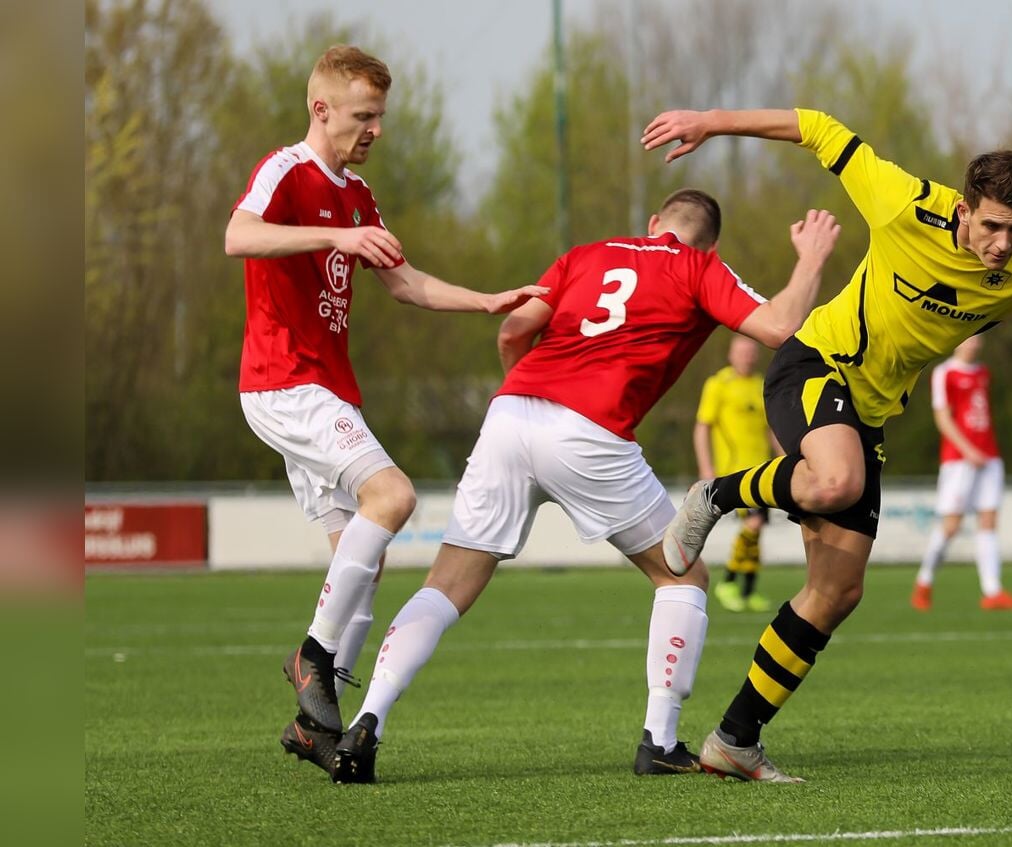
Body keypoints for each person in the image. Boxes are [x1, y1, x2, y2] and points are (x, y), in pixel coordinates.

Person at [642, 108, 1012, 782]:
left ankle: (734, 739)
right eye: (991, 226)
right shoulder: (904, 201)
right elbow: (816, 126)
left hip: (868, 414)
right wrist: (711, 123)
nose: (1002, 243)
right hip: (814, 364)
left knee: (837, 591)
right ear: (965, 209)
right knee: (837, 480)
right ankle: (716, 494)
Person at [329, 192, 841, 783]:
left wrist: (528, 403)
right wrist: (811, 257)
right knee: (683, 575)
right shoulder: (698, 267)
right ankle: (660, 740)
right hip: (589, 430)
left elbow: (512, 334)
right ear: (711, 244)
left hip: (512, 412)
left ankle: (368, 721)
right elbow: (779, 326)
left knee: (445, 585)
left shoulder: (583, 255)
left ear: (653, 224)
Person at [224, 45, 546, 776]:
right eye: (364, 115)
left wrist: (487, 300)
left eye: (380, 116)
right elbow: (237, 236)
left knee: (360, 568)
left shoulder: (359, 194)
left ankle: (316, 724)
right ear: (322, 108)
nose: (375, 129)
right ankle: (311, 657)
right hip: (283, 381)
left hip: (327, 388)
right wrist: (336, 236)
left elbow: (404, 283)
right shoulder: (286, 171)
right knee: (393, 495)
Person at [910, 334, 1012, 613]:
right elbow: (943, 417)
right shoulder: (944, 373)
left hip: (989, 456)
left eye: (979, 338)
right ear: (958, 340)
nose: (974, 343)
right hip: (959, 460)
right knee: (951, 525)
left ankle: (992, 591)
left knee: (988, 520)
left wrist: (983, 451)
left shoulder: (984, 372)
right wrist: (967, 449)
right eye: (970, 338)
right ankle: (924, 581)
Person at [694, 336, 783, 613]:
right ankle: (729, 582)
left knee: (756, 532)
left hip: (763, 470)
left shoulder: (760, 385)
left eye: (751, 352)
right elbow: (702, 427)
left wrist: (784, 458)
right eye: (741, 352)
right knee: (753, 526)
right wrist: (706, 467)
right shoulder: (718, 384)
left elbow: (770, 429)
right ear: (731, 354)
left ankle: (748, 590)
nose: (747, 357)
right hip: (735, 472)